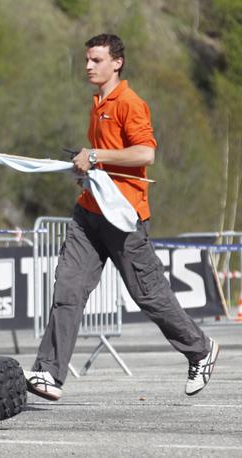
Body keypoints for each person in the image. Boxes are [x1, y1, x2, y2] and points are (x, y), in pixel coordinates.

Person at [24, 34, 220, 401]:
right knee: (67, 288)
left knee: (150, 296)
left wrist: (95, 157)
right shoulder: (97, 103)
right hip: (89, 214)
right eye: (87, 59)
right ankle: (48, 373)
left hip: (124, 218)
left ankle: (200, 350)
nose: (88, 66)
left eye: (96, 60)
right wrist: (87, 170)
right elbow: (105, 158)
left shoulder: (130, 103)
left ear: (117, 63)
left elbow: (145, 154)